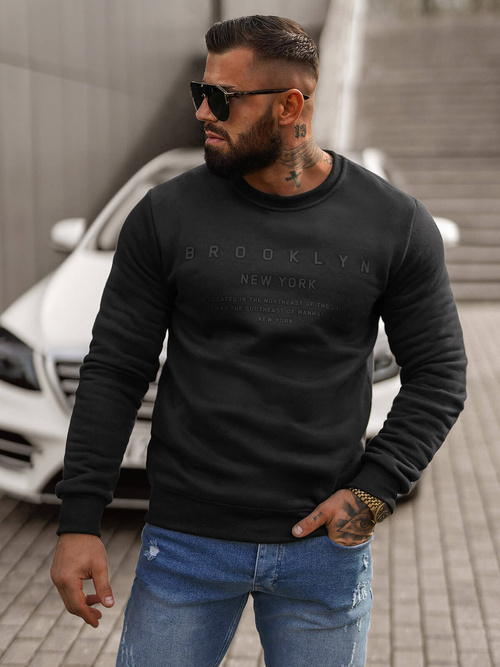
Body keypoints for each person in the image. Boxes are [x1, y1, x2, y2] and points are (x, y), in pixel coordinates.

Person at [51, 15, 467, 666]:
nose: (202, 112)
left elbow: (440, 374)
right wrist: (79, 519)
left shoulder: (395, 224)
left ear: (291, 105)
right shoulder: (165, 215)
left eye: (222, 98)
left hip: (323, 551)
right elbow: (115, 369)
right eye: (200, 91)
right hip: (186, 542)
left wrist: (372, 494)